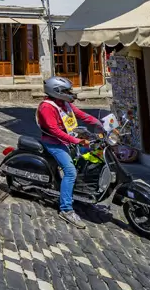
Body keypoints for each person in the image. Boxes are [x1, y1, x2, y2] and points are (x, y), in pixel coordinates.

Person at [36, 76, 101, 229]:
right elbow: (54, 131)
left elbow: (82, 115)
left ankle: (81, 190)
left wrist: (101, 124)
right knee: (70, 171)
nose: (70, 93)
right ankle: (66, 209)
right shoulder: (47, 107)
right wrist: (78, 141)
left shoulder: (64, 104)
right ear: (56, 91)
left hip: (69, 140)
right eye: (66, 91)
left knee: (91, 157)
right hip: (54, 143)